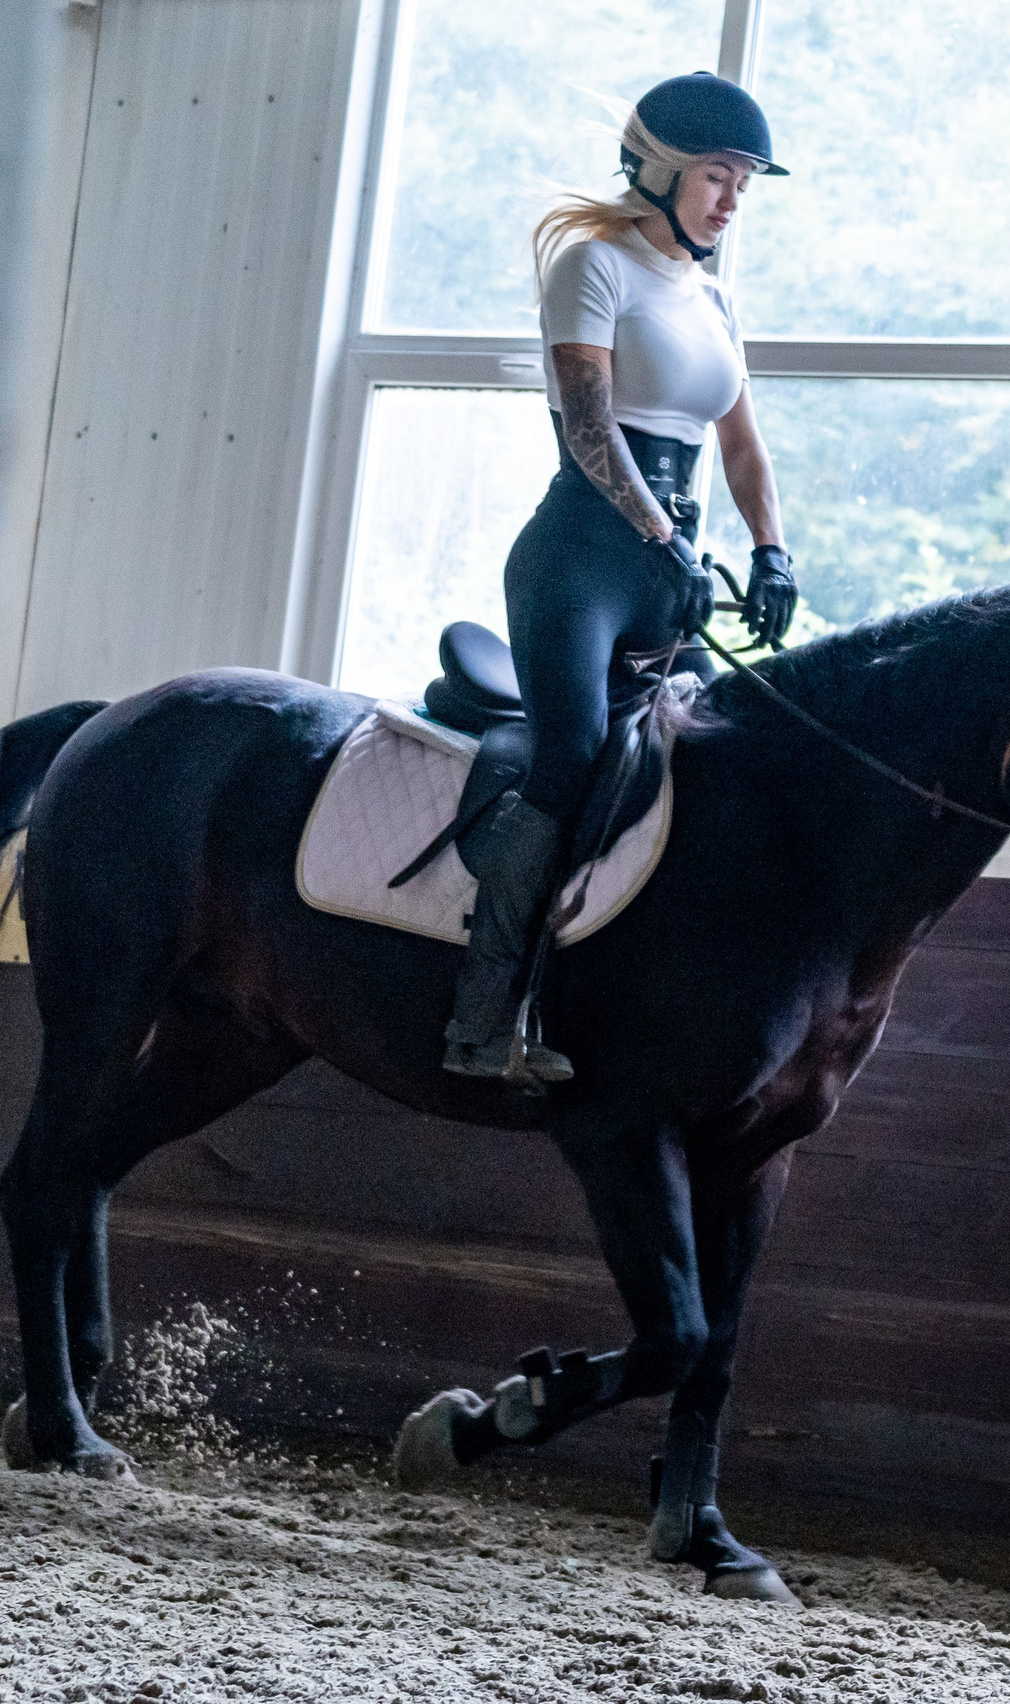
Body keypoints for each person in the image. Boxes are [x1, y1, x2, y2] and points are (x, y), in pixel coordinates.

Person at [444, 71, 799, 1087]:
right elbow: (590, 432)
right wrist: (666, 542)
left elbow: (741, 447)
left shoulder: (713, 293)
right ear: (656, 170)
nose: (732, 199)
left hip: (668, 564)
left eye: (743, 184)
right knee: (576, 753)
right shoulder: (592, 266)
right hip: (584, 558)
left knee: (702, 758)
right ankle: (482, 1022)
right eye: (717, 177)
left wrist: (771, 549)